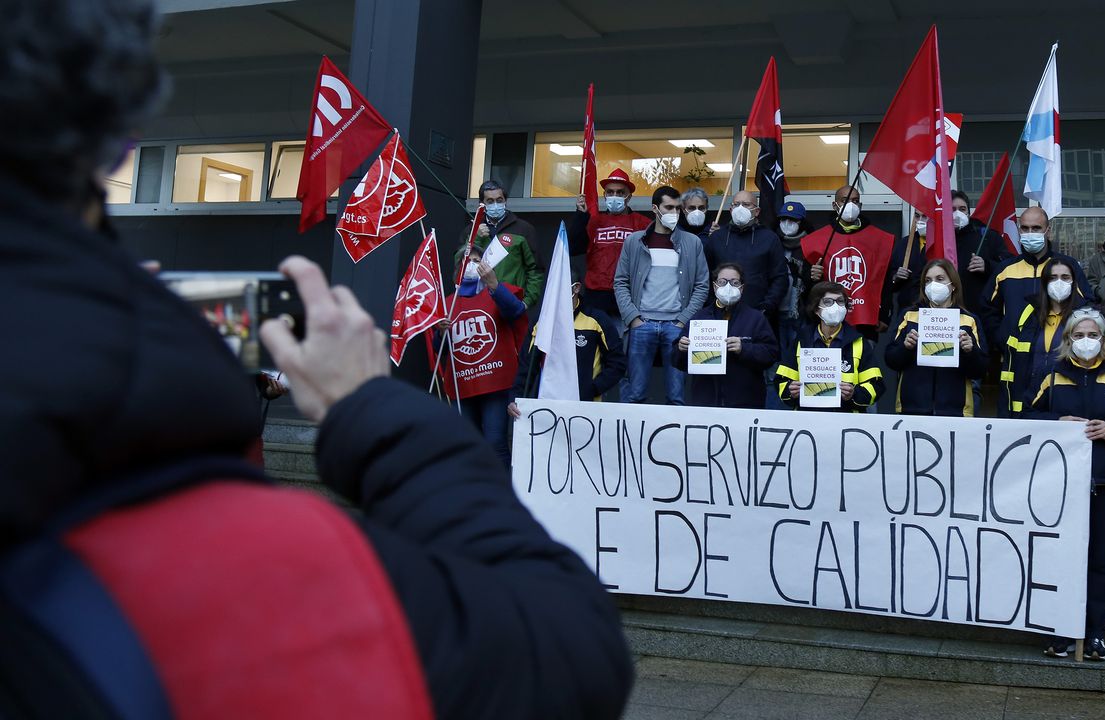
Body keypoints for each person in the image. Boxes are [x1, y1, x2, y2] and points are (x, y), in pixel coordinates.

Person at [0, 2, 632, 717]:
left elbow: (517, 307)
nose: (484, 208)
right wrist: (378, 412)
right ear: (112, 145)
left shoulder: (516, 242)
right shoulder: (252, 565)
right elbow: (566, 649)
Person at [1028, 308, 1105, 662]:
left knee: (1099, 561)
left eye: (1092, 335)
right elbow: (1027, 418)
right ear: (1067, 341)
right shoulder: (1052, 375)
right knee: (1063, 558)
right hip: (1061, 483)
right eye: (1078, 335)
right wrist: (1057, 422)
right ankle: (1062, 632)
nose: (1086, 341)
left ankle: (1095, 634)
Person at [613, 185, 710, 405]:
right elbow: (620, 282)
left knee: (676, 396)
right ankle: (632, 437)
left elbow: (702, 286)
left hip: (675, 326)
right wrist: (634, 319)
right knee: (635, 394)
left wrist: (682, 321)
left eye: (677, 209)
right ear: (655, 208)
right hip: (642, 323)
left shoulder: (691, 243)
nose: (674, 213)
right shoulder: (635, 241)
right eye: (669, 208)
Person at [434, 246, 529, 465]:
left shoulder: (497, 291)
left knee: (495, 442)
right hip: (463, 387)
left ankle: (503, 495)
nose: (473, 264)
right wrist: (440, 333)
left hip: (495, 385)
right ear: (458, 267)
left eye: (478, 260)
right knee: (468, 445)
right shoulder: (447, 304)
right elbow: (440, 351)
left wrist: (494, 285)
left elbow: (516, 312)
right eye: (468, 260)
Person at [982, 207, 1094, 387]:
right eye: (1025, 228)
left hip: (1059, 356)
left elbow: (1086, 308)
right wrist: (1002, 338)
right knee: (1015, 407)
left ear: (1048, 231)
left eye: (1036, 228)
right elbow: (988, 309)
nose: (1030, 233)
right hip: (1015, 357)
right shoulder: (1005, 270)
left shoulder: (1065, 268)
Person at [508, 272, 625, 415]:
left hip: (586, 410)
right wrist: (515, 398)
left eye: (561, 287)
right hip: (547, 407)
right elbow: (527, 365)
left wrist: (592, 389)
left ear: (576, 288)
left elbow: (618, 363)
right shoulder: (542, 322)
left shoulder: (597, 320)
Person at [884, 259, 987, 416]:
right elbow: (891, 360)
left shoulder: (968, 320)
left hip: (955, 410)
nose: (933, 285)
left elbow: (980, 369)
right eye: (928, 281)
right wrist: (906, 347)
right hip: (912, 409)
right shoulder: (909, 316)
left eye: (940, 279)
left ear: (953, 285)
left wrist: (970, 351)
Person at [672, 263, 779, 408]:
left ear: (742, 288)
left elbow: (771, 355)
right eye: (722, 282)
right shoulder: (699, 318)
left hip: (745, 402)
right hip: (706, 401)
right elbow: (677, 361)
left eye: (734, 282)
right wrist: (681, 349)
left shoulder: (755, 318)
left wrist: (744, 349)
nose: (728, 286)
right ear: (715, 286)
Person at [800, 185, 897, 340]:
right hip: (828, 319)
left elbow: (883, 281)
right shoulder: (817, 240)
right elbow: (806, 285)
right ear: (834, 205)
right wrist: (812, 276)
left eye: (855, 201)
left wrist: (884, 315)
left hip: (866, 323)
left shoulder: (878, 239)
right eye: (845, 200)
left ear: (860, 205)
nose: (850, 205)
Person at [775, 282, 884, 412]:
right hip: (807, 421)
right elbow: (781, 381)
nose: (836, 306)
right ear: (816, 309)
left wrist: (853, 394)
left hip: (846, 420)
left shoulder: (859, 342)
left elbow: (876, 386)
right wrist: (790, 390)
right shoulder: (801, 341)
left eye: (840, 301)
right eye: (828, 302)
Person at [999, 260, 1089, 416]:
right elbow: (1011, 364)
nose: (1059, 282)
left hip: (1069, 402)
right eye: (1053, 277)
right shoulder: (1028, 313)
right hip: (1030, 402)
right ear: (1044, 282)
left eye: (1065, 277)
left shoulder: (1087, 317)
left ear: (1074, 282)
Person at [568, 168, 652, 327]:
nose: (615, 196)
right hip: (597, 294)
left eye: (620, 192)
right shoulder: (593, 221)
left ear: (629, 197)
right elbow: (574, 248)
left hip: (629, 295)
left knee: (624, 345)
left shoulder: (642, 224)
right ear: (604, 195)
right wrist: (580, 216)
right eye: (610, 192)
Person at [704, 190, 788, 322]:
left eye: (746, 204)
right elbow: (705, 275)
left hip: (758, 315)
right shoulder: (717, 237)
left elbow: (780, 278)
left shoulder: (770, 238)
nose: (740, 208)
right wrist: (711, 306)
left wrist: (766, 308)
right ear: (731, 210)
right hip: (719, 314)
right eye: (736, 204)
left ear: (757, 211)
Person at [461, 179, 545, 308]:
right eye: (490, 201)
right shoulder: (471, 230)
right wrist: (475, 237)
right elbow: (459, 267)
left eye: (499, 200)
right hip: (477, 304)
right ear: (481, 204)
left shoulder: (523, 229)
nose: (495, 204)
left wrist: (526, 302)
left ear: (505, 201)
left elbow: (535, 269)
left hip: (511, 301)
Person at [952, 190, 1010, 313]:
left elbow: (1008, 265)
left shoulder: (987, 236)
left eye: (962, 209)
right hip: (948, 310)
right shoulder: (939, 238)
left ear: (968, 211)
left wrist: (987, 266)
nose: (957, 213)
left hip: (981, 310)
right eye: (953, 209)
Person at [776, 201, 812, 356]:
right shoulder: (773, 241)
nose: (787, 224)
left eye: (792, 220)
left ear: (801, 222)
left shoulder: (811, 245)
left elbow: (814, 281)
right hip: (774, 310)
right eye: (783, 219)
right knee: (776, 355)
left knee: (796, 354)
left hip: (799, 311)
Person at [883, 210, 928, 327]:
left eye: (925, 216)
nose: (920, 221)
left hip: (935, 309)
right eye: (917, 216)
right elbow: (889, 278)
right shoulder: (905, 243)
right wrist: (896, 276)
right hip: (907, 309)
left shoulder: (944, 243)